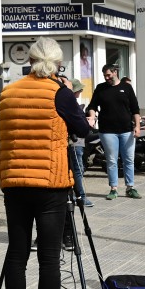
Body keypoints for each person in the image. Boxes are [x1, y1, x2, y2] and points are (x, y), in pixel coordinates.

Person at [0, 37, 92, 289]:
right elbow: (82, 131)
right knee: (49, 260)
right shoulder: (60, 94)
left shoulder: (9, 92)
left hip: (14, 182)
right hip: (50, 185)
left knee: (16, 254)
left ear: (30, 60)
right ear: (57, 63)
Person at [86, 64, 142, 200]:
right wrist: (92, 117)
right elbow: (92, 106)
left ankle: (130, 187)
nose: (107, 78)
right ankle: (113, 188)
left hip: (126, 130)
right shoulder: (101, 88)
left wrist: (137, 126)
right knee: (111, 160)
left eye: (109, 75)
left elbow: (135, 109)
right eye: (105, 75)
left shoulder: (127, 88)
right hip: (107, 131)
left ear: (115, 72)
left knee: (128, 159)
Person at [67, 78, 94, 209]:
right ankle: (81, 197)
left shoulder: (71, 103)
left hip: (77, 141)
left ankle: (75, 195)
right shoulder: (71, 104)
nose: (81, 91)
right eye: (79, 89)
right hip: (75, 141)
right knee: (78, 169)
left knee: (77, 169)